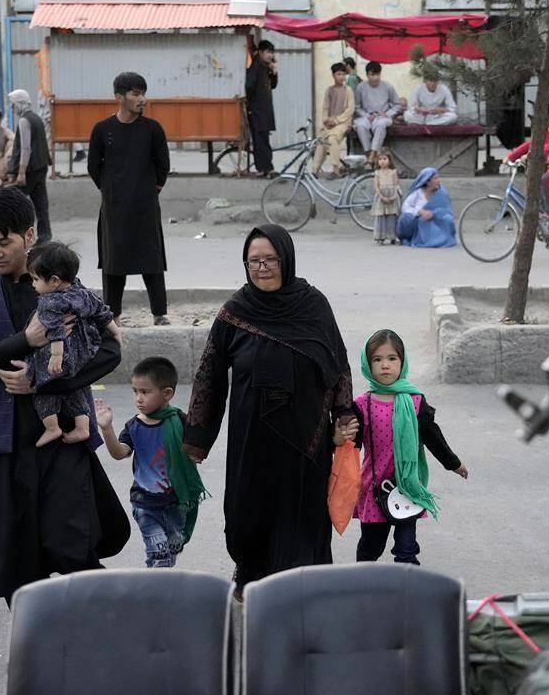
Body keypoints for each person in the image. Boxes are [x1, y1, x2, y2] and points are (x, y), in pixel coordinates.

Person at [0, 187, 128, 603]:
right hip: (3, 445)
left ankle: (98, 642)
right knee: (17, 558)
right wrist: (22, 341)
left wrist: (46, 382)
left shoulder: (62, 287)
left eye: (3, 243)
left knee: (73, 545)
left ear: (29, 236)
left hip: (63, 437)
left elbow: (110, 350)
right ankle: (34, 650)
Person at [184, 225, 357, 592]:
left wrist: (344, 415)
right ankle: (253, 585)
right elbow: (210, 374)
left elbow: (338, 364)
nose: (262, 268)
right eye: (253, 261)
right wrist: (198, 437)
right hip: (252, 438)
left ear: (286, 259)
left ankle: (305, 590)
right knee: (251, 515)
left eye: (270, 260)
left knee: (303, 519)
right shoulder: (235, 311)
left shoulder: (313, 306)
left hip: (306, 440)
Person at [351, 329, 466, 566]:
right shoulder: (363, 404)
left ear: (402, 362)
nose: (385, 365)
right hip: (374, 488)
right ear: (367, 363)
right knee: (371, 548)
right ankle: (361, 583)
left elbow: (432, 436)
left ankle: (408, 590)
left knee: (406, 550)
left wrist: (453, 463)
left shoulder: (415, 401)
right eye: (377, 359)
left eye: (392, 358)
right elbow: (350, 445)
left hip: (407, 487)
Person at [95, 357, 208, 569]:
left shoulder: (181, 421)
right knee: (159, 552)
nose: (138, 398)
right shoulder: (133, 426)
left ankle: (156, 584)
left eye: (145, 392)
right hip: (145, 503)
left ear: (167, 394)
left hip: (176, 502)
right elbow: (120, 453)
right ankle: (155, 594)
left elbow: (197, 447)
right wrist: (107, 429)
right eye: (135, 391)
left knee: (171, 550)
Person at [87, 71, 172, 325]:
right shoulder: (102, 130)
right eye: (136, 93)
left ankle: (159, 313)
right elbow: (94, 166)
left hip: (145, 206)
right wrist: (112, 190)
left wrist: (149, 190)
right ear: (119, 97)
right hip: (114, 208)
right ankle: (113, 315)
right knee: (114, 262)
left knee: (152, 260)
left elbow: (163, 165)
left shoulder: (152, 129)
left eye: (143, 93)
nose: (142, 99)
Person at [24, 242, 119, 448]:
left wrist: (56, 356)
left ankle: (52, 427)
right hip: (86, 349)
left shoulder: (49, 302)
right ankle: (83, 427)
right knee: (75, 386)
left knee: (43, 387)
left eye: (35, 279)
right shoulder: (81, 291)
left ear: (55, 280)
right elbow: (102, 310)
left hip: (65, 353)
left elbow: (56, 331)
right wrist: (116, 332)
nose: (32, 285)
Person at [505, 113, 549, 224]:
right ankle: (545, 213)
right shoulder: (547, 137)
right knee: (538, 183)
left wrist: (529, 155)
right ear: (548, 128)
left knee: (545, 179)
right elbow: (530, 144)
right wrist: (510, 157)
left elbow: (547, 148)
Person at [6, 89, 52, 244]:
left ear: (20, 104)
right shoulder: (36, 118)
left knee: (12, 200)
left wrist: (21, 172)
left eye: (13, 105)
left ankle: (13, 232)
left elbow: (26, 148)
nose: (12, 108)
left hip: (31, 169)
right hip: (41, 166)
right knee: (41, 202)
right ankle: (45, 236)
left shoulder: (24, 121)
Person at [353, 61, 401, 166]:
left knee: (380, 125)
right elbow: (356, 107)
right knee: (360, 126)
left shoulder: (388, 86)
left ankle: (371, 157)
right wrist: (366, 115)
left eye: (377, 74)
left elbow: (397, 105)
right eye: (372, 75)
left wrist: (387, 113)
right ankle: (368, 155)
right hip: (367, 116)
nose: (375, 78)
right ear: (367, 75)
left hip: (382, 117)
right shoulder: (360, 87)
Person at [312, 62, 355, 179]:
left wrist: (336, 121)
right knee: (321, 141)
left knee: (332, 139)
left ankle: (336, 169)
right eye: (338, 74)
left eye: (343, 74)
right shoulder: (329, 90)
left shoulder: (348, 90)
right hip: (330, 123)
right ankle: (315, 169)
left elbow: (350, 110)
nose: (341, 77)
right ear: (333, 76)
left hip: (342, 123)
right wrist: (325, 120)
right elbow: (325, 108)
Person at [397, 167, 456, 248]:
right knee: (405, 218)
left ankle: (442, 239)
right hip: (419, 221)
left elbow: (447, 210)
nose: (439, 180)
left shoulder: (442, 193)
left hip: (436, 220)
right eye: (435, 178)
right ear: (427, 181)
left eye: (438, 177)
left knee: (448, 219)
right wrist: (420, 211)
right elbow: (405, 207)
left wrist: (435, 213)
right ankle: (408, 238)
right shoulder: (418, 192)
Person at [245, 40, 279, 178]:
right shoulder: (256, 66)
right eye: (268, 52)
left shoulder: (266, 67)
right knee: (260, 140)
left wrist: (274, 71)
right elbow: (249, 86)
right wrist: (251, 105)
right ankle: (265, 168)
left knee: (263, 139)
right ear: (260, 52)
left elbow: (273, 85)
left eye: (272, 52)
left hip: (264, 109)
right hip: (257, 110)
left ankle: (264, 167)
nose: (270, 55)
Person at [371, 149, 401, 245]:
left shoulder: (393, 172)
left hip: (391, 194)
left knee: (392, 216)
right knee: (381, 216)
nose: (382, 161)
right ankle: (381, 237)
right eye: (380, 159)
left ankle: (393, 237)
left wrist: (394, 195)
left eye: (385, 158)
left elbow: (396, 184)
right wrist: (381, 196)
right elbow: (376, 186)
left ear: (389, 160)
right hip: (381, 196)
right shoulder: (377, 173)